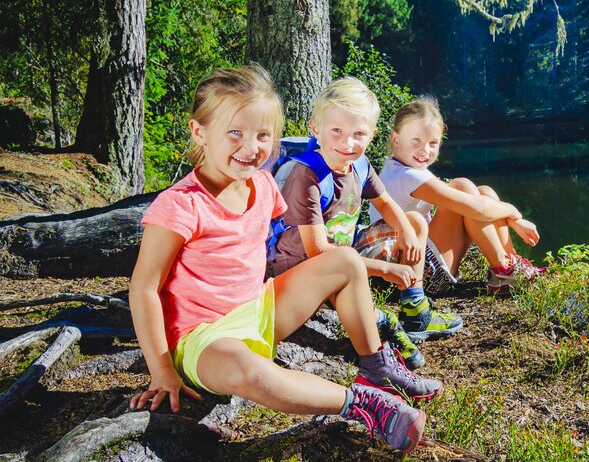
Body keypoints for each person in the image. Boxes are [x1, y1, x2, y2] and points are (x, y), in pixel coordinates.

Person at [127, 65, 440, 453]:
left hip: (260, 308)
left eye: (263, 135)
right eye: (235, 133)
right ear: (199, 132)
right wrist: (161, 370)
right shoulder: (180, 205)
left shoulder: (261, 184)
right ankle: (361, 404)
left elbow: (284, 238)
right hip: (204, 338)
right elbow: (143, 288)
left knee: (344, 260)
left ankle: (375, 366)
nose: (250, 147)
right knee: (249, 372)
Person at [270, 77, 461, 344]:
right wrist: (383, 269)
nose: (348, 143)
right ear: (316, 128)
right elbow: (318, 251)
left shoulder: (359, 164)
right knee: (345, 268)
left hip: (347, 247)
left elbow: (384, 202)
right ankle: (378, 325)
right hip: (303, 266)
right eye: (336, 131)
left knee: (415, 221)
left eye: (358, 134)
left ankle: (415, 309)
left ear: (371, 134)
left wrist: (406, 231)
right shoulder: (306, 176)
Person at [369, 95, 545, 295]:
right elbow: (477, 209)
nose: (425, 150)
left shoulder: (404, 167)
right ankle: (504, 271)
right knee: (462, 187)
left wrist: (512, 220)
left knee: (484, 192)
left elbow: (479, 205)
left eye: (433, 143)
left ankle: (510, 264)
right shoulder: (405, 176)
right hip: (414, 275)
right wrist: (514, 215)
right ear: (396, 139)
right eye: (416, 140)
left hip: (419, 262)